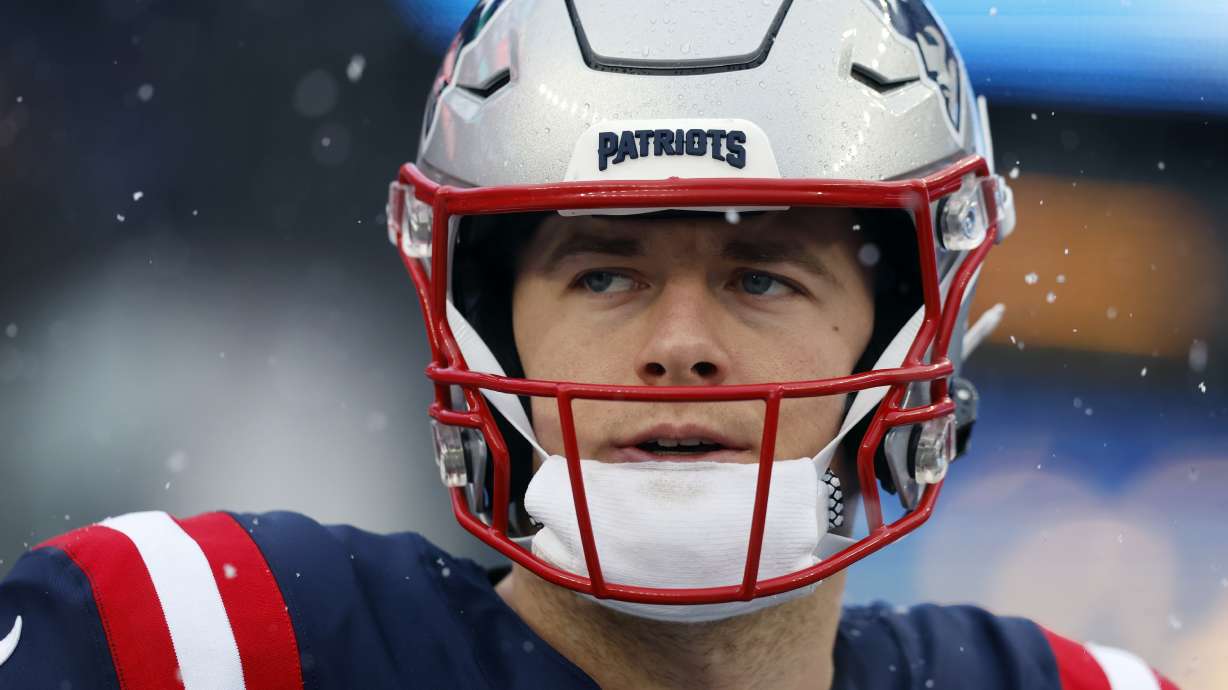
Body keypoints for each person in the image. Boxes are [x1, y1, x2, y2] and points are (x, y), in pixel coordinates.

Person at [0, 1, 1179, 688]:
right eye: (605, 273)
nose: (680, 346)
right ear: (488, 324)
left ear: (905, 330)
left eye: (761, 276)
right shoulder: (200, 640)